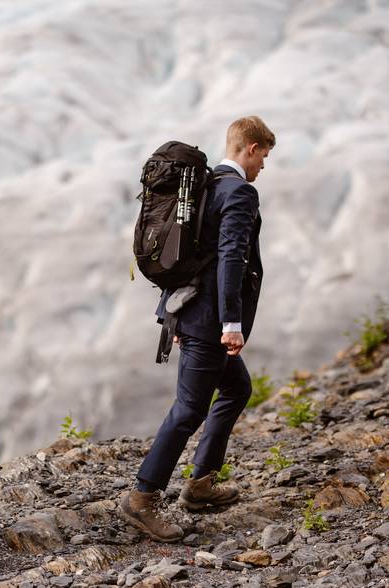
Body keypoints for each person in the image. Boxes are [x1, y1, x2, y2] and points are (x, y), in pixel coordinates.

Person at [120, 116, 276, 543]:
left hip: (190, 313)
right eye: (264, 155)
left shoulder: (203, 187)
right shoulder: (239, 192)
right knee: (188, 410)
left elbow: (187, 254)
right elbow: (231, 259)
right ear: (251, 147)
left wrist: (172, 317)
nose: (264, 165)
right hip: (210, 322)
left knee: (237, 388)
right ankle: (142, 498)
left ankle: (201, 483)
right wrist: (231, 323)